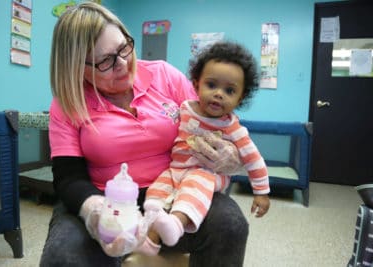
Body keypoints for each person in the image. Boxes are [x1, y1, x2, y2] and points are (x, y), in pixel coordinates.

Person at [40, 2, 249, 267]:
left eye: (124, 47)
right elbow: (68, 178)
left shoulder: (164, 75)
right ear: (76, 68)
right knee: (64, 256)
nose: (124, 63)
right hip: (105, 200)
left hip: (174, 194)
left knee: (230, 224)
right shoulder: (68, 102)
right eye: (106, 61)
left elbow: (215, 121)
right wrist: (95, 211)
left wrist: (231, 153)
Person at [140, 42, 271, 254]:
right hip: (176, 170)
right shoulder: (184, 109)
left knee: (196, 183)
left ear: (241, 98)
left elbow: (254, 160)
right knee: (158, 190)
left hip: (208, 174)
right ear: (196, 84)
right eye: (211, 85)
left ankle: (177, 223)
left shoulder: (233, 128)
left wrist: (261, 192)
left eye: (229, 90)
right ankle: (151, 239)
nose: (219, 94)